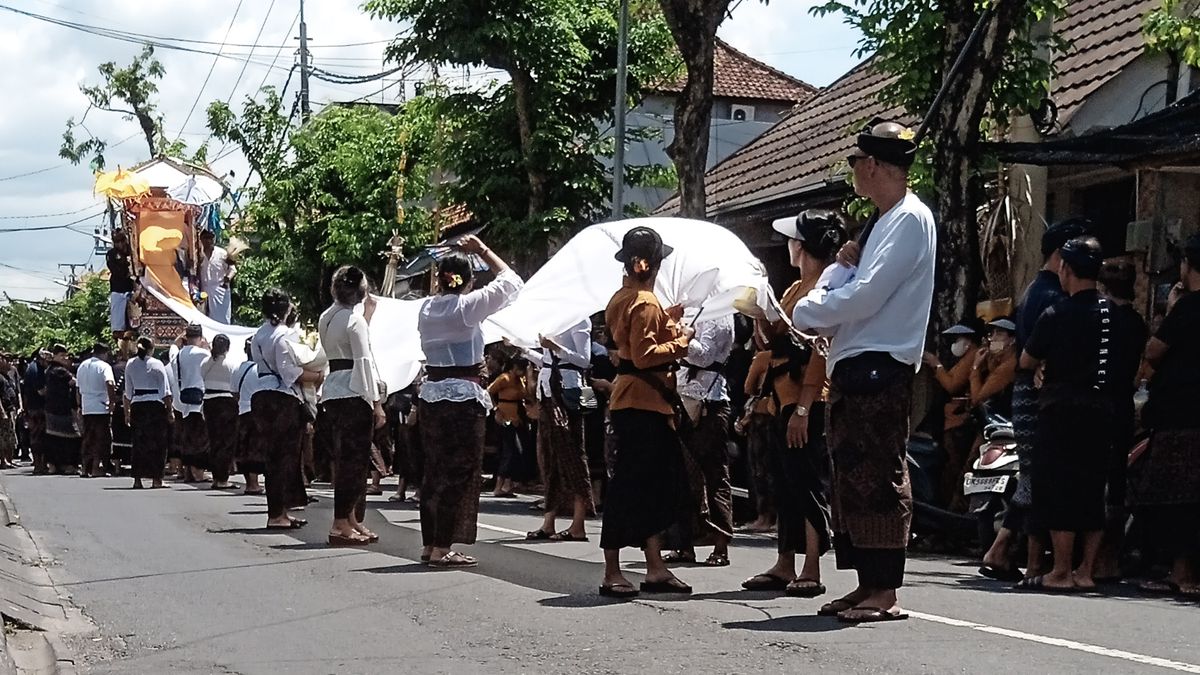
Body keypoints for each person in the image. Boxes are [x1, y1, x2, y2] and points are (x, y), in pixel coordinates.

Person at [789, 121, 936, 622]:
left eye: (856, 161)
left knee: (877, 473)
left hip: (881, 363)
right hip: (854, 363)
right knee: (850, 475)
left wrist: (811, 309)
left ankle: (884, 590)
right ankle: (866, 581)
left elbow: (868, 294)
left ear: (872, 165)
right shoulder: (883, 220)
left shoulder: (909, 219)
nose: (854, 169)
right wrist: (835, 277)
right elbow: (850, 278)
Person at [1018, 236, 1139, 592]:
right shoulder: (1116, 316)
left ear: (1065, 268)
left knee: (1058, 487)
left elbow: (1026, 360)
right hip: (1105, 411)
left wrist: (1042, 366)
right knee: (1092, 489)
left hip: (1061, 410)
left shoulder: (1056, 313)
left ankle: (1060, 570)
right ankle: (1086, 570)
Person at [741, 210, 847, 597]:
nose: (788, 245)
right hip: (782, 395)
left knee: (807, 482)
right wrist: (758, 316)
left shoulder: (826, 289)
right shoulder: (793, 289)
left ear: (801, 246)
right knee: (787, 483)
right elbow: (771, 339)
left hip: (808, 397)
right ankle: (785, 562)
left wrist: (803, 408)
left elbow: (819, 352)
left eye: (792, 240)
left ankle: (812, 565)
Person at [987, 217, 1090, 582]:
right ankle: (1007, 550)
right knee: (1038, 475)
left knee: (1036, 473)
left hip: (1030, 391)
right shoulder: (1052, 296)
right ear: (1063, 256)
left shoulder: (1039, 289)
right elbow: (1034, 353)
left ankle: (1006, 549)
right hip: (1037, 394)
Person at [599, 226, 695, 599]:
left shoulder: (623, 297)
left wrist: (665, 320)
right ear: (652, 265)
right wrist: (681, 341)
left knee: (650, 488)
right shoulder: (645, 302)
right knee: (631, 488)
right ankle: (612, 570)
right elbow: (643, 355)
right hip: (643, 402)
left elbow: (631, 340)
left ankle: (655, 566)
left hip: (634, 401)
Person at [416, 236, 523, 568]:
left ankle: (431, 542)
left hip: (432, 395)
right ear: (468, 281)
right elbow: (512, 281)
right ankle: (442, 546)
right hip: (462, 398)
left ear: (440, 278)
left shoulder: (426, 308)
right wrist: (483, 250)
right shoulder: (466, 308)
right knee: (459, 470)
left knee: (434, 470)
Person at [1135, 234, 1200, 597]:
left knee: (1177, 497)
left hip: (1181, 415)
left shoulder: (1188, 309)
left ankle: (1181, 571)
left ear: (1187, 266)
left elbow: (1155, 350)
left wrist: (1174, 307)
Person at [317, 266, 386, 546]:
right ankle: (340, 523)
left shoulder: (326, 317)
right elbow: (364, 362)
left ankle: (350, 519)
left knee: (347, 459)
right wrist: (377, 403)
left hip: (333, 388)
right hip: (354, 391)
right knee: (354, 463)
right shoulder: (353, 321)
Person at [662, 314, 735, 566]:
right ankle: (683, 543)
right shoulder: (694, 313)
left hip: (710, 402)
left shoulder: (721, 316)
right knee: (680, 475)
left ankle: (721, 544)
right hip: (682, 398)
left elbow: (704, 356)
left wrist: (684, 337)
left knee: (715, 474)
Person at [252, 289, 324, 530]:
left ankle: (280, 511)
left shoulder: (258, 335)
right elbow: (290, 373)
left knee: (274, 458)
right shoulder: (284, 336)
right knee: (285, 458)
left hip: (261, 396)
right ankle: (278, 514)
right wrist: (318, 375)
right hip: (282, 399)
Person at [527, 319, 595, 543]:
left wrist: (557, 347)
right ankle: (549, 522)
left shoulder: (579, 321)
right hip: (547, 392)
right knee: (549, 457)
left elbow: (583, 361)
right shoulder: (552, 320)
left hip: (569, 391)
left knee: (573, 456)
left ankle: (578, 524)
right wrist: (524, 350)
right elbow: (547, 362)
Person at [924, 319, 984, 510]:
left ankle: (953, 509)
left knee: (953, 466)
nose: (955, 343)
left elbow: (952, 385)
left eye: (959, 339)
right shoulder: (966, 358)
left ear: (969, 341)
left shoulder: (973, 356)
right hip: (952, 419)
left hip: (959, 420)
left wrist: (936, 365)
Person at [123, 337, 173, 489]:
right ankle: (156, 479)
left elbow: (128, 392)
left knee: (139, 443)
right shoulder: (156, 364)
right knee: (158, 444)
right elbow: (165, 392)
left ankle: (137, 479)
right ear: (151, 349)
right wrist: (169, 411)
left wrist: (127, 412)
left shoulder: (130, 364)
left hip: (138, 405)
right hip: (155, 406)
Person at [171, 325, 211, 482]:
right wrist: (207, 347)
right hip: (199, 401)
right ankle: (198, 472)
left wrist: (177, 341)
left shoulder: (180, 354)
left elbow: (173, 349)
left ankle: (188, 471)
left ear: (186, 338)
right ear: (200, 338)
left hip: (184, 400)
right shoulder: (204, 354)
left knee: (187, 438)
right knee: (200, 439)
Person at [488, 354, 529, 499]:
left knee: (518, 451)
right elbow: (489, 392)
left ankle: (509, 483)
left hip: (518, 416)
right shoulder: (504, 378)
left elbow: (527, 394)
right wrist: (496, 410)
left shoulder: (521, 380)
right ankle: (499, 485)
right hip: (505, 415)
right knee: (508, 450)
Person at [201, 335, 239, 490]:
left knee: (214, 440)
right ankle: (223, 478)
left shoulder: (205, 363)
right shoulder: (232, 364)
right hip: (226, 402)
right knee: (226, 442)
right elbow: (235, 386)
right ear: (227, 348)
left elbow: (202, 377)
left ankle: (217, 477)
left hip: (209, 401)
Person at [77, 342, 117, 478]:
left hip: (86, 406)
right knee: (101, 439)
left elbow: (77, 388)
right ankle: (96, 468)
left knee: (88, 438)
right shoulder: (104, 366)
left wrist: (80, 405)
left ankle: (84, 467)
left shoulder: (82, 366)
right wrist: (112, 401)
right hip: (100, 407)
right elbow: (110, 383)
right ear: (104, 353)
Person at [43, 345, 81, 475]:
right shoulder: (59, 370)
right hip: (61, 409)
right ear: (55, 355)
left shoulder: (49, 369)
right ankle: (68, 464)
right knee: (70, 437)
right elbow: (74, 382)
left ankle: (54, 465)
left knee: (53, 438)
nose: (65, 358)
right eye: (62, 355)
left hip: (51, 408)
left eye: (66, 355)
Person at [231, 342, 263, 495]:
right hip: (259, 413)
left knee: (245, 448)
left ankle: (250, 483)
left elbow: (234, 391)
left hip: (243, 411)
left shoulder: (239, 368)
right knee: (256, 449)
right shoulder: (262, 369)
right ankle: (255, 483)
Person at [970, 319, 1017, 418]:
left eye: (999, 334)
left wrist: (975, 368)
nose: (993, 338)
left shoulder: (1007, 367)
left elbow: (977, 400)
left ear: (1012, 340)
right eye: (992, 334)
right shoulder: (1001, 362)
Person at [199, 230, 236, 325]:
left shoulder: (222, 253)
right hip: (204, 290)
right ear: (201, 240)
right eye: (206, 238)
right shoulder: (198, 254)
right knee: (205, 319)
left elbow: (232, 270)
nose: (208, 241)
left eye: (210, 238)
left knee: (222, 319)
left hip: (220, 291)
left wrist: (228, 278)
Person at [22, 350, 49, 474]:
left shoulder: (32, 368)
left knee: (36, 436)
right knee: (39, 436)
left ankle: (40, 464)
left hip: (33, 407)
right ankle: (39, 465)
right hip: (37, 408)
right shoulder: (35, 370)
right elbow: (41, 391)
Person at [106, 229, 136, 340]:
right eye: (117, 241)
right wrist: (128, 272)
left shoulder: (133, 251)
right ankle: (118, 331)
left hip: (133, 287)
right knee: (118, 324)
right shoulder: (111, 254)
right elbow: (116, 271)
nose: (120, 244)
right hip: (118, 289)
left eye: (122, 240)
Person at [0, 354, 20, 469]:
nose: (7, 362)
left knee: (11, 437)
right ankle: (3, 460)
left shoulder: (7, 376)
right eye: (4, 360)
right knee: (3, 437)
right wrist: (2, 412)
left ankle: (9, 459)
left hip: (11, 408)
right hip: (4, 410)